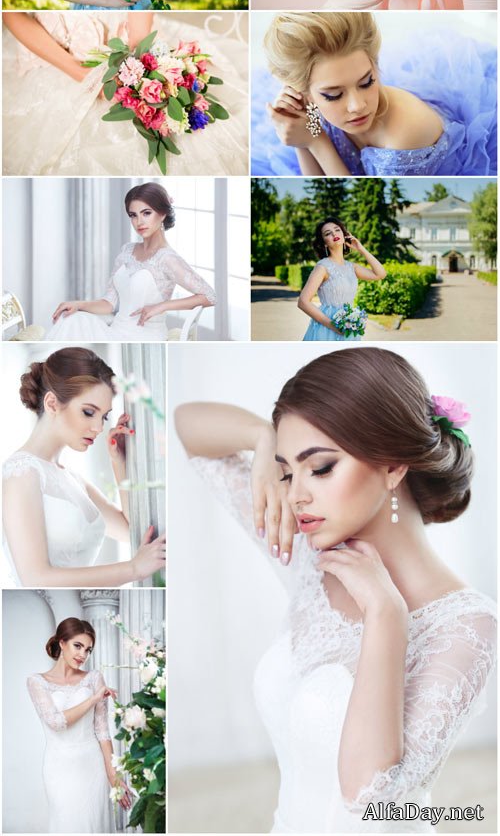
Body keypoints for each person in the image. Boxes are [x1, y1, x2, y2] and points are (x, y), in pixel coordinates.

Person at [175, 348, 497, 834]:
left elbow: (370, 800)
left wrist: (386, 615)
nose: (296, 494)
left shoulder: (468, 626)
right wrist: (263, 440)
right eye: (288, 472)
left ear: (393, 466)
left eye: (320, 467)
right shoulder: (309, 550)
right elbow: (187, 425)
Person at [2, 10, 246, 177]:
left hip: (129, 40)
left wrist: (138, 63)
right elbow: (11, 13)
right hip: (53, 56)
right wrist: (83, 75)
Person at [253, 11, 496, 177]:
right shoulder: (310, 103)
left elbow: (356, 206)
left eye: (367, 82)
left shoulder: (405, 137)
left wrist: (316, 141)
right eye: (334, 95)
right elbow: (315, 180)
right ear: (304, 92)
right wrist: (302, 133)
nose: (358, 105)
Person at [2, 348, 166, 588]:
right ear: (52, 403)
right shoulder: (20, 474)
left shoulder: (72, 479)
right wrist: (133, 569)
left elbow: (131, 532)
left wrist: (118, 462)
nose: (99, 428)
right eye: (88, 412)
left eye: (104, 417)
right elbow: (34, 577)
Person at [51, 181, 215, 340]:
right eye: (133, 215)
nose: (139, 222)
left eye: (146, 213)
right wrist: (79, 305)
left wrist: (161, 306)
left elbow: (210, 296)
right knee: (71, 319)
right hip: (116, 330)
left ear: (163, 213)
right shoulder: (126, 251)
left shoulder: (167, 259)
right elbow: (108, 303)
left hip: (144, 334)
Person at [27, 615, 132, 833]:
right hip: (59, 767)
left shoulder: (94, 678)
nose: (83, 655)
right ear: (61, 642)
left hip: (92, 766)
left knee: (95, 825)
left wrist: (114, 776)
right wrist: (94, 699)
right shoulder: (36, 682)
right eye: (78, 646)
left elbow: (102, 732)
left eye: (88, 649)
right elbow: (56, 722)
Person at [298, 217, 385, 341]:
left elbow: (380, 274)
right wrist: (334, 326)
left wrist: (361, 249)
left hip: (349, 326)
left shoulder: (352, 267)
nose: (334, 234)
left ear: (345, 236)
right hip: (327, 328)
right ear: (324, 243)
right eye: (328, 233)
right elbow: (303, 302)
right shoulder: (323, 267)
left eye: (337, 230)